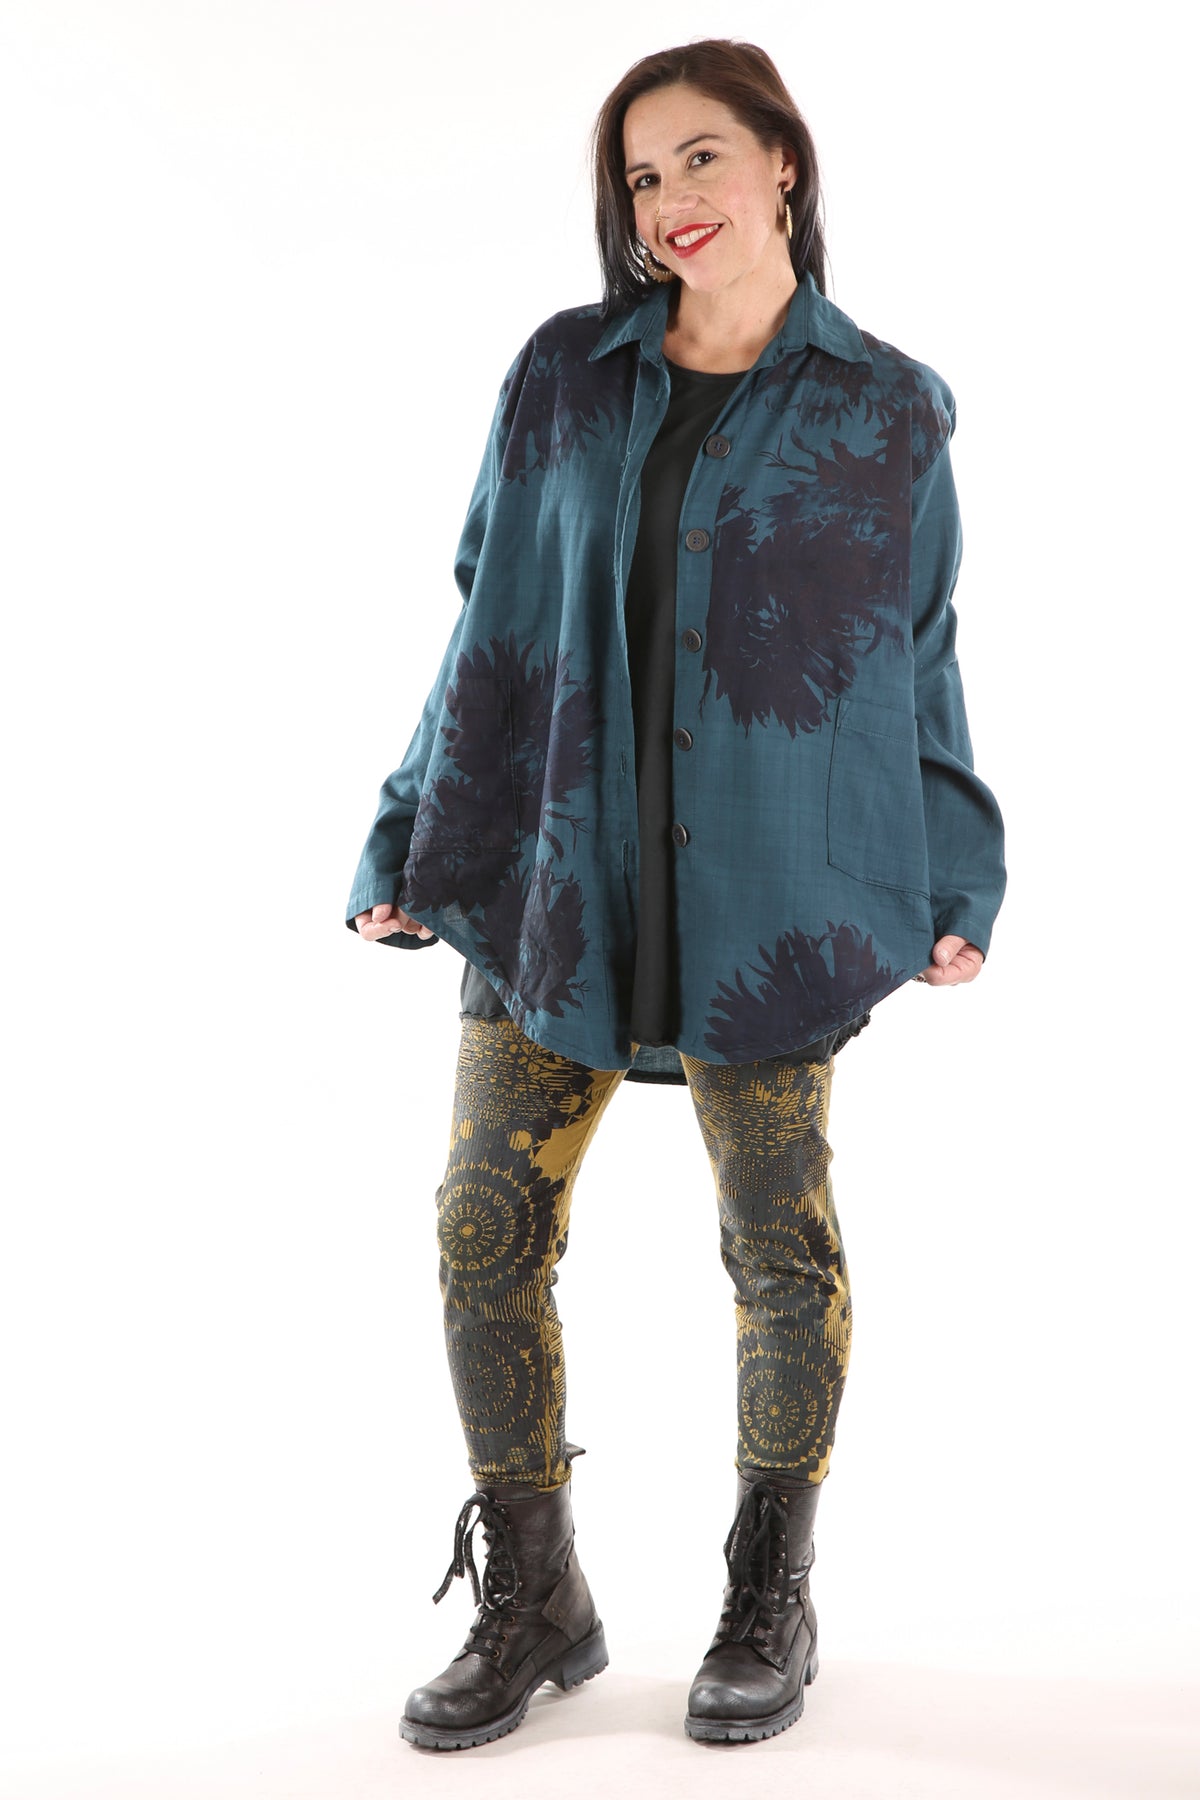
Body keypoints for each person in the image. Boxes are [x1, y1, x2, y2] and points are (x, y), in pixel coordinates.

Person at [344, 37, 1006, 1751]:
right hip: (551, 869)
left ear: (784, 160)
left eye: (701, 157)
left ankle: (769, 1593)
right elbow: (488, 611)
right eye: (642, 177)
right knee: (481, 1225)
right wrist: (407, 827)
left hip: (775, 886)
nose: (670, 201)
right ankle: (537, 1596)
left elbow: (916, 652)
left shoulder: (890, 407)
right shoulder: (563, 377)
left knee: (778, 1243)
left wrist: (959, 863)